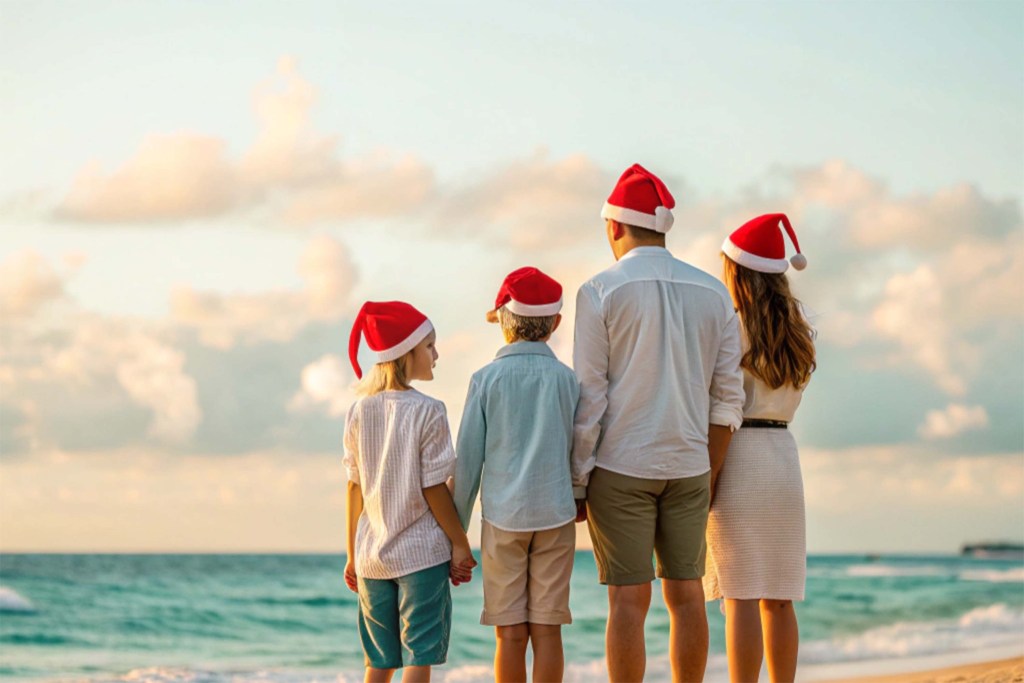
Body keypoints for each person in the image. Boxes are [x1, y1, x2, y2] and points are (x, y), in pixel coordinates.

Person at [572, 163, 745, 682]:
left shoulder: (599, 291)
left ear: (614, 226)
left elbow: (590, 399)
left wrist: (578, 480)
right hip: (690, 463)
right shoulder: (714, 293)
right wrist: (710, 471)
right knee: (687, 594)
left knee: (628, 601)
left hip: (620, 465)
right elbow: (727, 399)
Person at [453, 267, 580, 683]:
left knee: (509, 636)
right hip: (557, 513)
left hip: (503, 519)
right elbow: (581, 448)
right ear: (555, 323)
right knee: (548, 631)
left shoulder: (485, 380)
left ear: (503, 324)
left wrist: (455, 536)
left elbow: (468, 464)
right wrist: (580, 496)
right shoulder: (568, 381)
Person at [705, 214, 816, 683]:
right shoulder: (798, 330)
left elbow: (720, 403)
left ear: (739, 271)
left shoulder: (731, 327)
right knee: (779, 595)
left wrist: (707, 477)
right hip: (782, 456)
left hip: (739, 452)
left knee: (740, 593)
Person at [342, 300, 477, 683]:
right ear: (406, 353)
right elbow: (433, 487)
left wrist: (352, 555)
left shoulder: (358, 410)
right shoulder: (429, 410)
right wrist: (460, 543)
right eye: (429, 346)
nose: (436, 354)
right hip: (420, 554)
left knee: (379, 662)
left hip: (371, 557)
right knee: (419, 654)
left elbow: (354, 488)